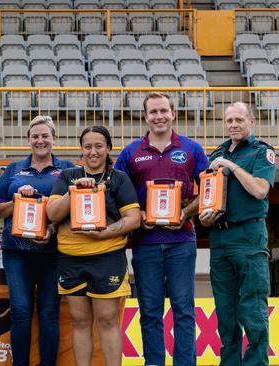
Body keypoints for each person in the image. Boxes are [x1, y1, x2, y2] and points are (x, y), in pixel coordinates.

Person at [115, 92, 209, 366]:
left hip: (182, 241)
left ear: (173, 114)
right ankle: (154, 362)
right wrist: (138, 213)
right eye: (153, 112)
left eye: (163, 111)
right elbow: (117, 193)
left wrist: (186, 212)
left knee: (183, 309)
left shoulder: (192, 148)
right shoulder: (131, 152)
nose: (159, 116)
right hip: (145, 243)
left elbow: (209, 190)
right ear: (145, 116)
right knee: (150, 311)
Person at [46, 126, 140, 366]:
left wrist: (105, 233)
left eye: (99, 146)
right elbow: (52, 214)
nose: (93, 152)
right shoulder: (67, 176)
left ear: (108, 148)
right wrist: (73, 192)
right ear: (81, 149)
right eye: (87, 146)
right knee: (79, 321)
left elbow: (133, 219)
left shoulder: (119, 178)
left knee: (107, 320)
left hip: (106, 257)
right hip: (71, 259)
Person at [0, 115, 75, 366]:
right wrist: (17, 199)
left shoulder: (68, 168)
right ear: (28, 140)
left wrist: (52, 226)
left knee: (49, 314)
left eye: (45, 136)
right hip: (16, 252)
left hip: (53, 252)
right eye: (35, 136)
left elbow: (74, 209)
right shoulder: (14, 169)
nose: (40, 141)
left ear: (54, 139)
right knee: (20, 313)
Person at [199, 102, 275, 366]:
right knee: (225, 311)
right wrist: (204, 216)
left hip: (248, 235)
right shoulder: (216, 154)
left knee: (253, 309)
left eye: (239, 120)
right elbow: (208, 198)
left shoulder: (261, 152)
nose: (233, 125)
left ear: (251, 122)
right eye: (229, 120)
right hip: (219, 238)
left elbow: (259, 190)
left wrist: (232, 167)